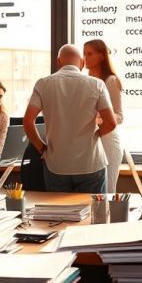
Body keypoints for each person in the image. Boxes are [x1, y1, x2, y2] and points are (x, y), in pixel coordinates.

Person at [23, 44, 117, 193]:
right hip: (90, 163)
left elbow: (28, 121)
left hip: (57, 164)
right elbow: (111, 123)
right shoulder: (97, 85)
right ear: (82, 62)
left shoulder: (43, 84)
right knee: (94, 214)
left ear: (58, 61)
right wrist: (95, 135)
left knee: (59, 214)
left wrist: (42, 148)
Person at [83, 39, 124, 193]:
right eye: (84, 53)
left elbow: (119, 116)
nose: (85, 58)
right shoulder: (88, 81)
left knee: (107, 192)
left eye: (89, 54)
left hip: (107, 141)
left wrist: (98, 119)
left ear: (101, 56)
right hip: (92, 142)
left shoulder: (111, 81)